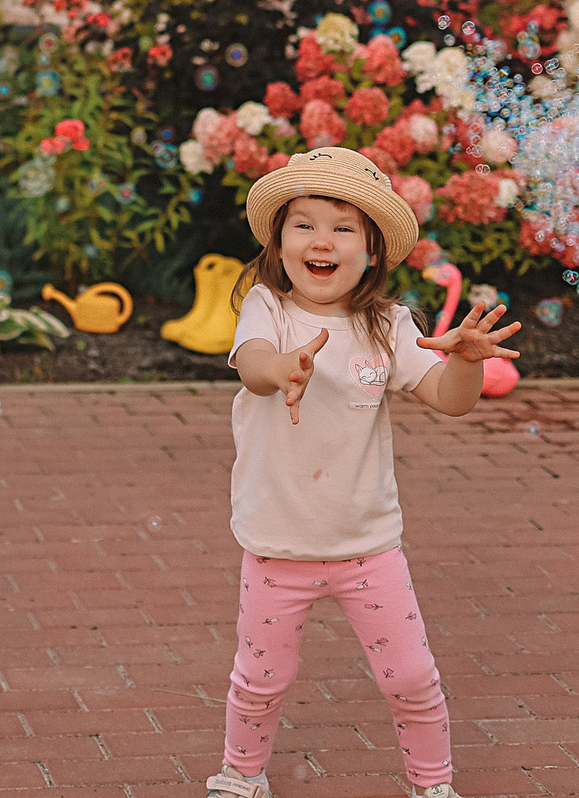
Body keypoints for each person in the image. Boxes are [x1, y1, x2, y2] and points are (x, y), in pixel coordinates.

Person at [209, 146, 522, 798]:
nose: (322, 239)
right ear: (278, 239)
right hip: (277, 544)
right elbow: (255, 363)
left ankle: (432, 784)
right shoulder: (269, 307)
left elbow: (449, 397)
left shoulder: (387, 324)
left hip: (368, 547)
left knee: (410, 676)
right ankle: (242, 775)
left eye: (344, 226)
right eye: (305, 223)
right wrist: (284, 369)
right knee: (260, 677)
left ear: (373, 251)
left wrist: (465, 361)